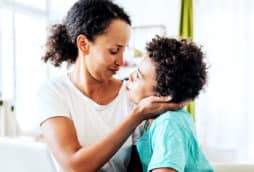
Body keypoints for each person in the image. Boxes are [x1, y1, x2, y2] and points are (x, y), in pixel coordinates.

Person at [37, 0, 184, 171]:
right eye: (114, 51)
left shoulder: (132, 93)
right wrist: (136, 116)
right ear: (83, 44)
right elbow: (74, 166)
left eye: (124, 50)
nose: (121, 61)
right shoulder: (53, 93)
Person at [126, 36, 214, 172]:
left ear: (163, 96)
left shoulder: (169, 122)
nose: (130, 76)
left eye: (138, 75)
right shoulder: (152, 120)